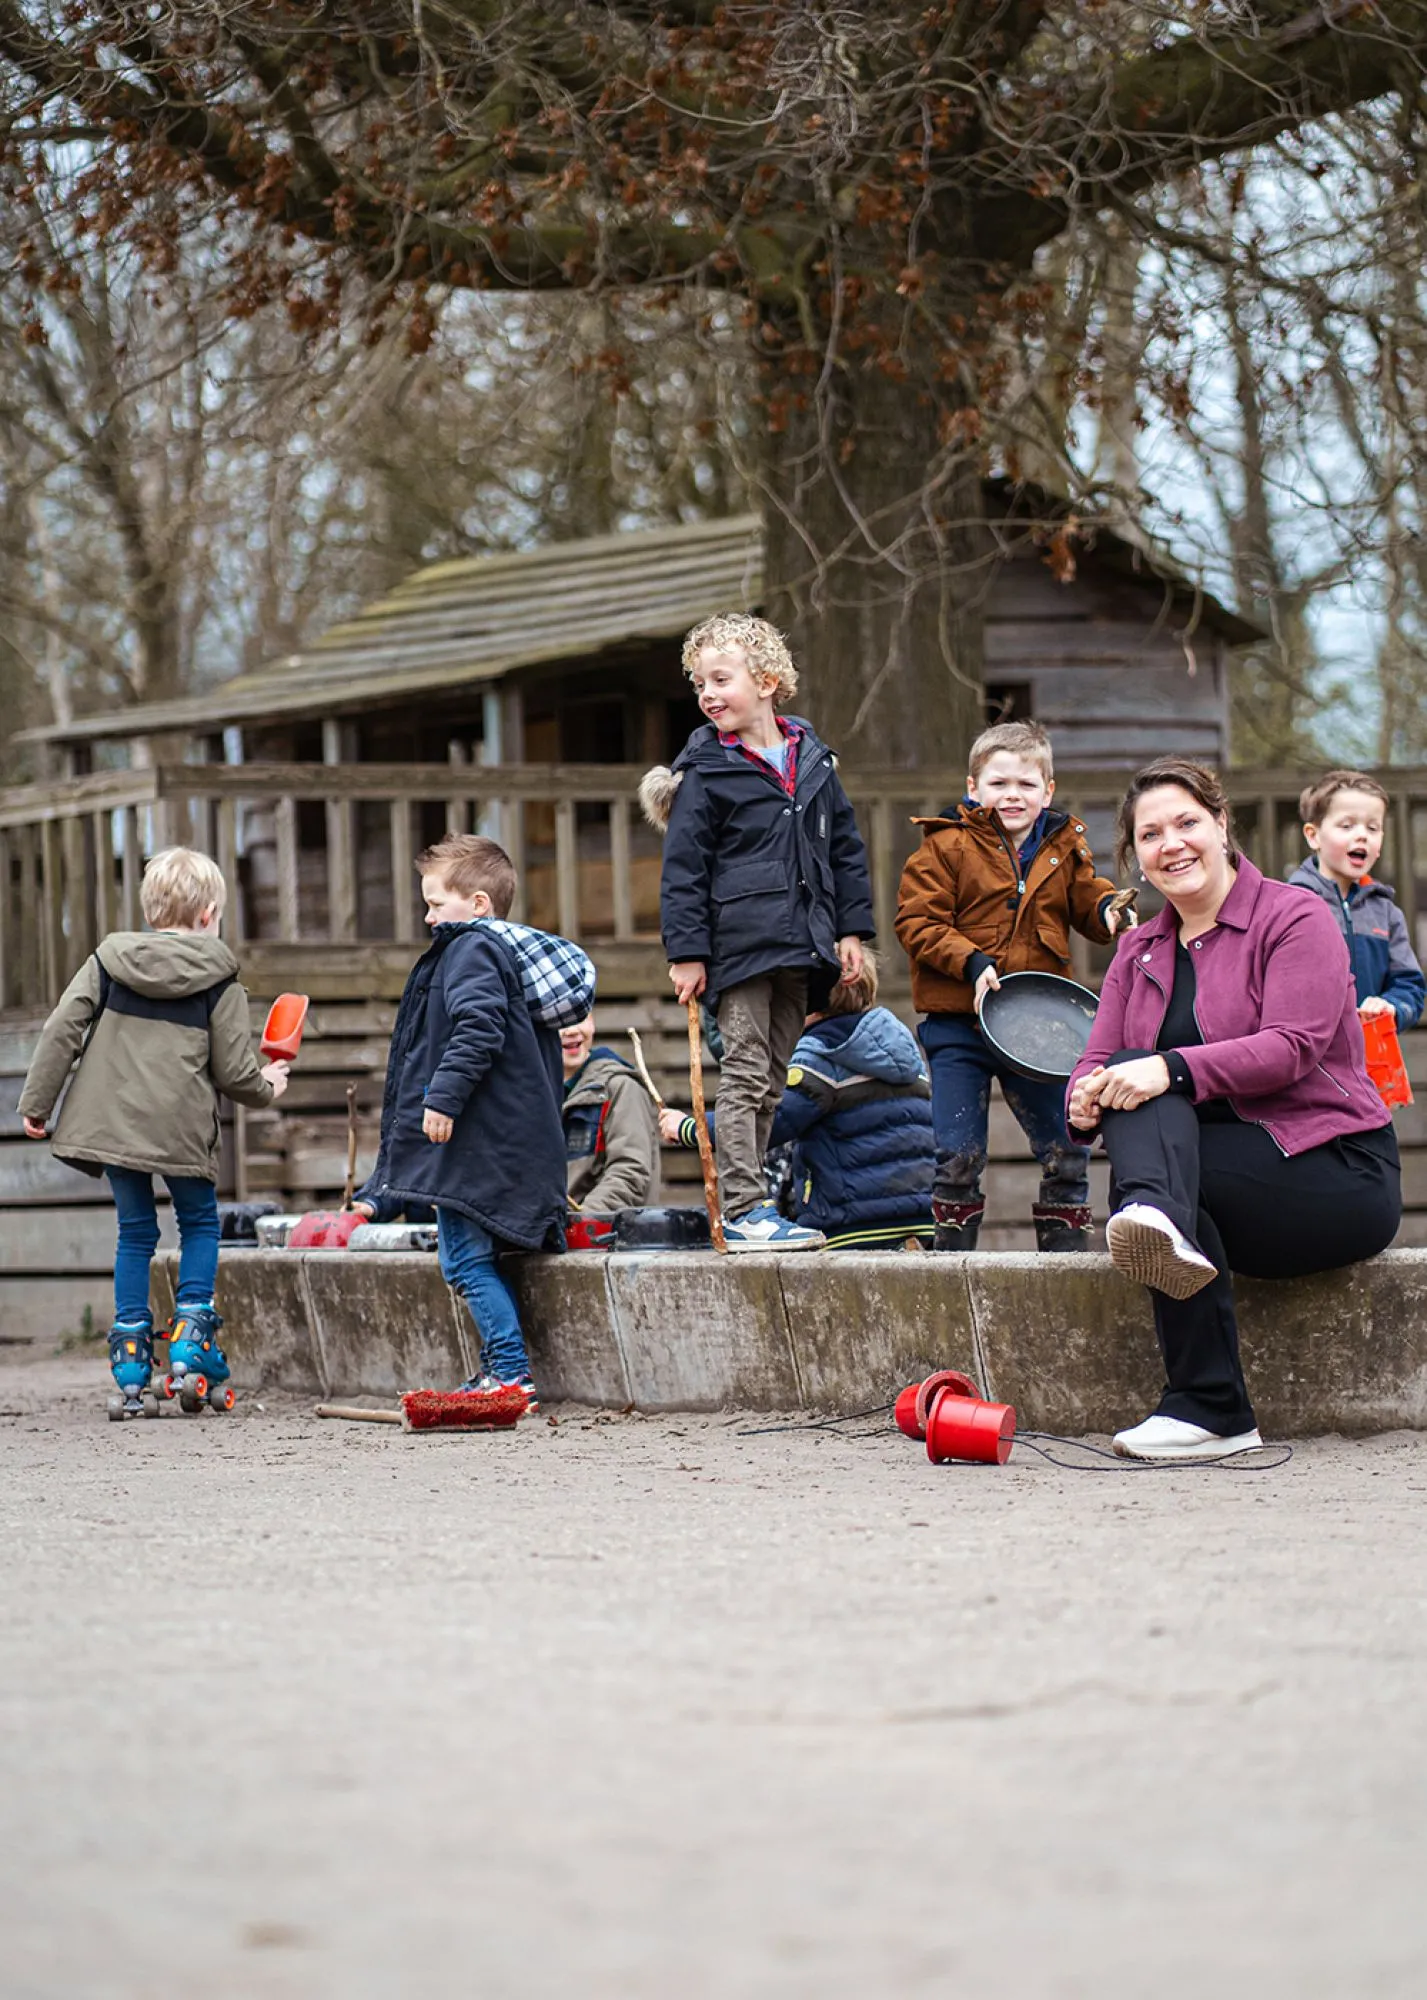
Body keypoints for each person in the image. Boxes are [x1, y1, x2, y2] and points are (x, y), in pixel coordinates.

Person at [1067, 758, 1401, 1462]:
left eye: (1186, 822)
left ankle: (1205, 1394)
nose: (1172, 843)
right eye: (1151, 834)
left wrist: (1168, 1067)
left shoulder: (1295, 915)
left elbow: (1293, 1045)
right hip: (1211, 1176)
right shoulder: (1137, 950)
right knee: (1136, 1102)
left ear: (1221, 825)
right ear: (1137, 856)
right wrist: (1084, 1093)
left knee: (1153, 1106)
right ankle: (1209, 1401)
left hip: (1330, 1169)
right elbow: (1098, 1057)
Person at [16, 846, 289, 1419]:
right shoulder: (220, 977)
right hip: (181, 1125)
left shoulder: (108, 961)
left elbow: (62, 1028)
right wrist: (269, 1085)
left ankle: (133, 1356)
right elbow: (235, 1072)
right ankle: (192, 1333)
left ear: (149, 909)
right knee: (198, 1222)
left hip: (113, 1121)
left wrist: (37, 1103)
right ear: (210, 913)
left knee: (135, 1231)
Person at [639, 611, 875, 1252]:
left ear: (768, 681)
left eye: (720, 679)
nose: (707, 694)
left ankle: (758, 1206)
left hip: (800, 947)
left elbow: (845, 850)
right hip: (737, 951)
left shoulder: (814, 761)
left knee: (774, 1077)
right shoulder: (708, 770)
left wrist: (851, 931)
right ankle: (742, 1208)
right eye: (698, 684)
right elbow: (683, 868)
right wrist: (686, 952)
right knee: (743, 1076)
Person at [355, 833, 588, 1414]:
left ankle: (509, 1372)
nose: (428, 915)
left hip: (475, 1146)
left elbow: (477, 1027)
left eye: (436, 903)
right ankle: (497, 1369)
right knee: (475, 1257)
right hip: (505, 1145)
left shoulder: (472, 951)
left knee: (463, 1260)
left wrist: (442, 1099)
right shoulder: (506, 956)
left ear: (478, 904)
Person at [895, 719, 1133, 1253]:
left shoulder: (1062, 847)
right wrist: (970, 960)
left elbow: (1087, 902)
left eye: (1026, 784)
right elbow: (917, 923)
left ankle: (1063, 1259)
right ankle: (953, 1265)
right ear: (973, 786)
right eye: (999, 783)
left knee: (1067, 1145)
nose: (1013, 795)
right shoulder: (944, 847)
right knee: (959, 1154)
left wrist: (1106, 909)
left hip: (1038, 1023)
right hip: (960, 1023)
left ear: (1047, 790)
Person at [660, 948, 935, 1249]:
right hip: (920, 1216)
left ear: (809, 1001)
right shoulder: (902, 1048)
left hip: (851, 1222)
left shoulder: (820, 1053)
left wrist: (690, 1127)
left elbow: (775, 1122)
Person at [1289, 769, 1425, 1032]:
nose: (1362, 834)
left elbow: (1410, 985)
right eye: (1347, 825)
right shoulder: (1289, 905)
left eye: (1373, 827)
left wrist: (1391, 1007)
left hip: (1372, 1059)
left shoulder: (1387, 913)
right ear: (1313, 835)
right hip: (1311, 1059)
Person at [561, 1012, 660, 1213]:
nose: (571, 1030)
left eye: (580, 1017)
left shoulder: (621, 1088)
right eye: (560, 1022)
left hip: (605, 1239)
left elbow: (630, 1172)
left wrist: (578, 1221)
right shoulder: (532, 1095)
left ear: (592, 1022)